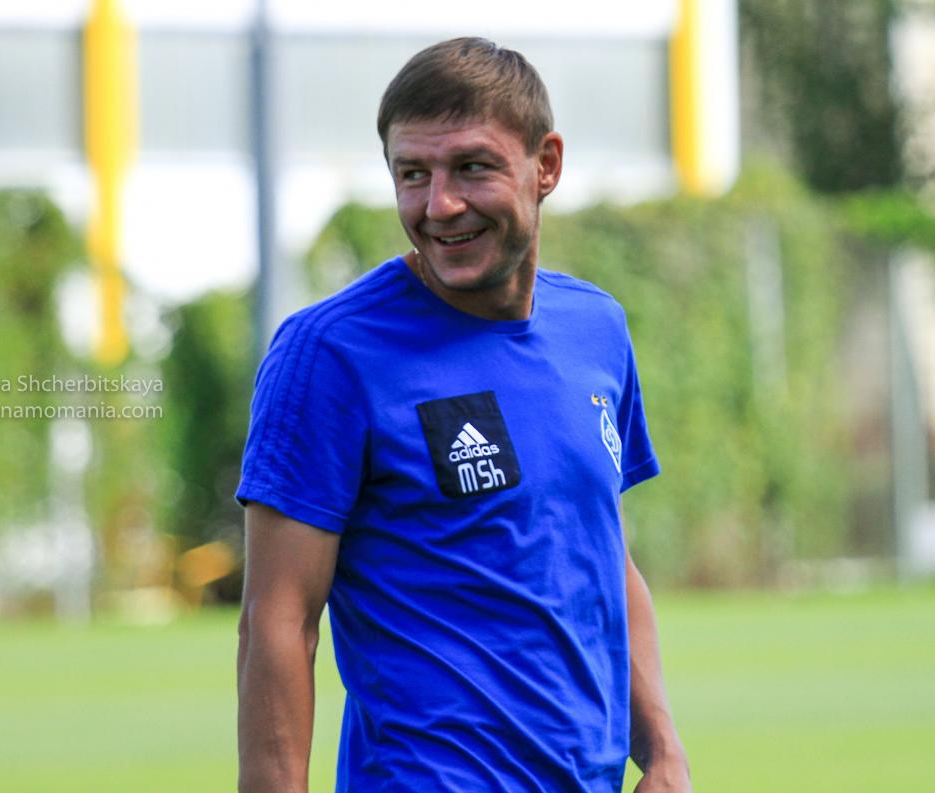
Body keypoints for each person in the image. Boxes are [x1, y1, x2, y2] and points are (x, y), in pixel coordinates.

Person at [235, 37, 692, 793]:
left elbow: (605, 556)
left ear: (546, 165)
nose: (439, 205)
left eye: (471, 167)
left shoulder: (596, 328)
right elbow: (277, 622)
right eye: (412, 174)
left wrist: (666, 753)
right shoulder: (330, 353)